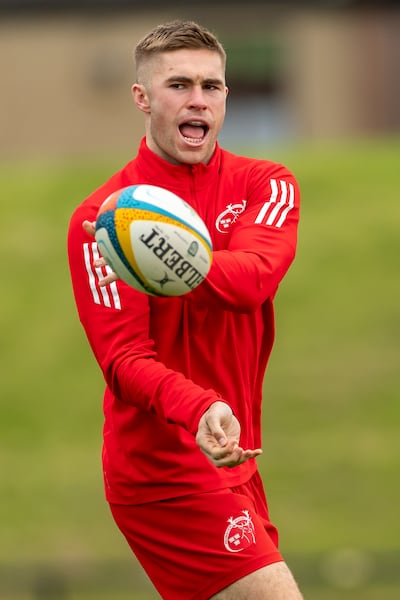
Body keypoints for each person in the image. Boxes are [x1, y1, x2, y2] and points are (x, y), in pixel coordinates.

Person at [68, 19, 303, 600]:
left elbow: (253, 279)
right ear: (142, 98)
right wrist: (199, 409)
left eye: (212, 86)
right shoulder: (99, 222)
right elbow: (123, 359)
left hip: (236, 457)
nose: (198, 99)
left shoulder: (265, 185)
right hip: (162, 473)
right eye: (178, 85)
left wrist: (166, 259)